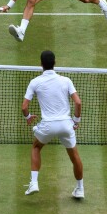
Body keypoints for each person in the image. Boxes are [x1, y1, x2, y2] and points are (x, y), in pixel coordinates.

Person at [22, 50, 84, 198]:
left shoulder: (35, 82)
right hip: (65, 125)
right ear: (54, 63)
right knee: (74, 156)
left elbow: (24, 107)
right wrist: (76, 121)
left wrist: (28, 117)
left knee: (36, 147)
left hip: (48, 126)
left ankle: (34, 183)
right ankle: (80, 189)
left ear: (41, 64)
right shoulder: (66, 80)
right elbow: (78, 102)